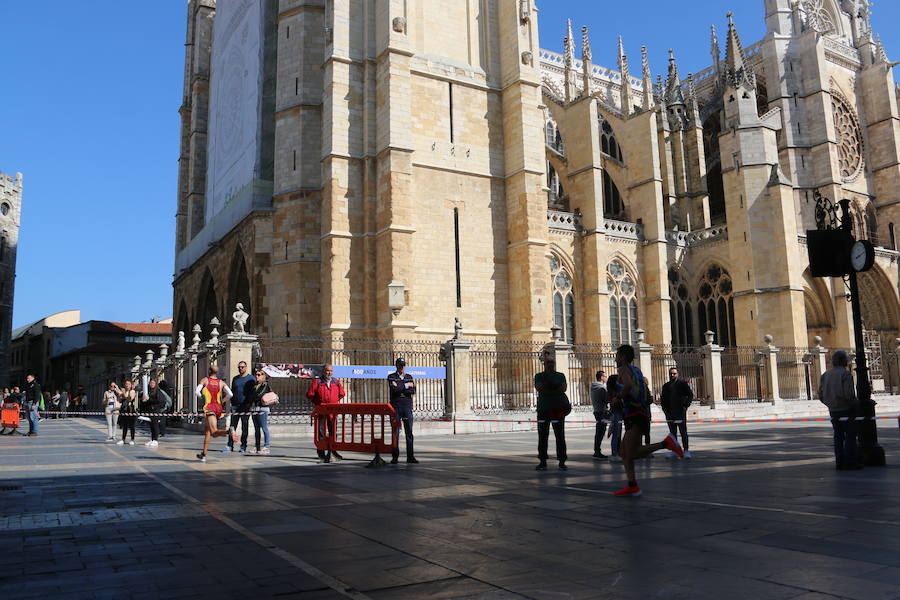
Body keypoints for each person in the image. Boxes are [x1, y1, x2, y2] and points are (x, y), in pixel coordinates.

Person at [613, 344, 683, 497]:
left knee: (631, 453)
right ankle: (632, 485)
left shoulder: (623, 369)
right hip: (639, 413)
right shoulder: (636, 370)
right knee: (624, 452)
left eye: (617, 355)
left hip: (635, 414)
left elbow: (628, 386)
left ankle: (666, 443)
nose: (615, 357)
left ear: (623, 357)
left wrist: (617, 398)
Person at [819, 350, 862, 471]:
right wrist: (856, 405)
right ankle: (850, 462)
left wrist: (829, 404)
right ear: (844, 361)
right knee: (850, 436)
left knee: (838, 436)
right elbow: (849, 394)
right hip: (846, 409)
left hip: (833, 410)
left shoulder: (825, 375)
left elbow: (820, 394)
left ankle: (840, 462)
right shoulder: (846, 374)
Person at [534, 354, 569, 471]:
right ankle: (542, 461)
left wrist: (548, 388)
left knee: (560, 435)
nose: (550, 365)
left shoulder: (560, 375)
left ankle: (562, 461)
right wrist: (554, 388)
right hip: (543, 409)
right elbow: (539, 388)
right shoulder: (539, 376)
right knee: (542, 436)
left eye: (552, 363)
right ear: (544, 364)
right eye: (548, 363)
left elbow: (563, 388)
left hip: (557, 409)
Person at [195, 365, 236, 462]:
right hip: (218, 407)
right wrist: (223, 401)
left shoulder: (205, 380)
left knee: (213, 431)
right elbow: (230, 394)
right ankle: (203, 454)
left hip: (210, 408)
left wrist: (204, 399)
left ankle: (228, 432)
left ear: (209, 371)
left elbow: (197, 392)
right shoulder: (221, 382)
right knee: (207, 431)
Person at [307, 364, 346, 463]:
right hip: (322, 410)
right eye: (327, 371)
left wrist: (335, 402)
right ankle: (321, 452)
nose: (329, 373)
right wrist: (318, 404)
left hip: (333, 410)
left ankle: (333, 451)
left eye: (331, 371)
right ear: (323, 371)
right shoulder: (318, 381)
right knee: (321, 431)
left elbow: (342, 393)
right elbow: (310, 395)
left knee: (333, 431)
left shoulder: (336, 381)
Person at [388, 357, 417, 464]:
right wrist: (406, 385)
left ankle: (410, 456)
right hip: (396, 407)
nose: (402, 367)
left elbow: (413, 390)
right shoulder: (391, 377)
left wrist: (401, 386)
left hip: (407, 407)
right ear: (396, 366)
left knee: (409, 432)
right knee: (395, 432)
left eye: (403, 365)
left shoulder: (409, 376)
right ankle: (395, 456)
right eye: (400, 365)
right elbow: (394, 389)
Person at [660, 367, 694, 459]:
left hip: (680, 412)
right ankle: (674, 451)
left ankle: (686, 450)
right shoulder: (666, 386)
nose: (672, 375)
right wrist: (665, 410)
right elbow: (662, 399)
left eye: (674, 373)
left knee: (683, 432)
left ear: (677, 374)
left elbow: (690, 395)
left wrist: (685, 406)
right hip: (670, 413)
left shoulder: (682, 384)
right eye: (671, 374)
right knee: (672, 433)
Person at [225, 361, 255, 453]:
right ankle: (230, 446)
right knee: (232, 427)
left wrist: (249, 404)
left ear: (246, 367)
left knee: (244, 427)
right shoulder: (235, 379)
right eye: (239, 367)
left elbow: (252, 393)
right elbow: (232, 391)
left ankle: (243, 446)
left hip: (245, 406)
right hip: (235, 406)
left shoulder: (251, 378)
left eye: (242, 367)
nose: (240, 369)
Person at [246, 368, 272, 455]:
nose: (256, 376)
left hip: (262, 409)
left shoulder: (265, 385)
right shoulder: (254, 385)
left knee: (264, 428)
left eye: (259, 375)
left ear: (263, 376)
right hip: (254, 409)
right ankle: (257, 446)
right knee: (256, 429)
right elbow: (251, 396)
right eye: (256, 375)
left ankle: (266, 446)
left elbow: (259, 395)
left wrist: (252, 397)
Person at [142, 379, 169, 448]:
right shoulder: (150, 391)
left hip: (156, 410)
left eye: (153, 383)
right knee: (151, 425)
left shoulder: (158, 391)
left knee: (155, 425)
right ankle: (152, 439)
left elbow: (160, 401)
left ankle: (155, 440)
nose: (151, 384)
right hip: (151, 410)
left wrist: (149, 400)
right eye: (150, 383)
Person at [591, 370, 608, 460]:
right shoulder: (601, 388)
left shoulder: (594, 386)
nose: (606, 378)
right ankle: (597, 451)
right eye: (605, 376)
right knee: (600, 431)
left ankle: (597, 450)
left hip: (597, 411)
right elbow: (606, 399)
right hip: (601, 411)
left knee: (599, 431)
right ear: (601, 378)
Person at [606, 374, 623, 462]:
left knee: (617, 434)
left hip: (616, 413)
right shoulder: (616, 390)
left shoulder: (610, 390)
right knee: (616, 434)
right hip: (617, 413)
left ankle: (617, 452)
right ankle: (614, 453)